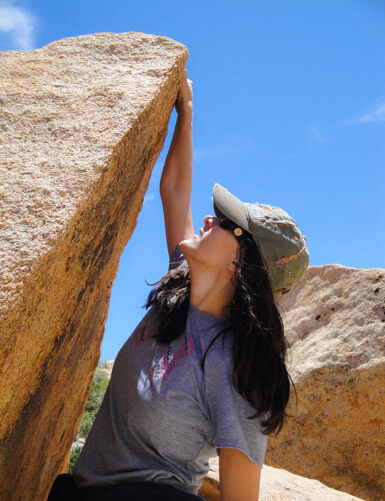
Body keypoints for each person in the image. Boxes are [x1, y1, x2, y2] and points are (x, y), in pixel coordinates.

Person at [47, 69, 309, 501]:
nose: (209, 218)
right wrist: (185, 110)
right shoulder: (179, 286)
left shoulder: (234, 370)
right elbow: (174, 190)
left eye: (226, 223)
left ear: (240, 267)